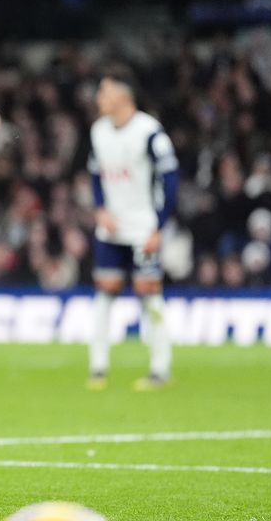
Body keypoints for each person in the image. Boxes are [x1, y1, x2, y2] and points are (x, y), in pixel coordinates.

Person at [86, 65, 179, 391]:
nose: (100, 97)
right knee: (103, 295)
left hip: (143, 228)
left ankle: (160, 368)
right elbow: (96, 174)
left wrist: (159, 227)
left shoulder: (150, 132)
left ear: (122, 95)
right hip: (111, 229)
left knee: (150, 297)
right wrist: (100, 209)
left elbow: (170, 180)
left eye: (104, 91)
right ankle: (97, 368)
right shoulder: (98, 131)